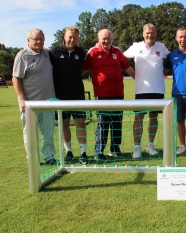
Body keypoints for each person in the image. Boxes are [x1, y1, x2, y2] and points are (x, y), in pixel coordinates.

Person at [82, 29, 135, 160]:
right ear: (98, 39)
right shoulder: (93, 52)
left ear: (112, 38)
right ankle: (99, 151)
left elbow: (127, 68)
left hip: (118, 94)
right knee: (103, 124)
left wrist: (140, 81)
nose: (106, 41)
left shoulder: (117, 51)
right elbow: (83, 69)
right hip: (102, 95)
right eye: (104, 38)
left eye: (109, 38)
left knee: (117, 123)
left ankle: (115, 149)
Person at [124, 23, 170, 159]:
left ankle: (150, 144)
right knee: (139, 117)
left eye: (152, 33)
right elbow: (121, 59)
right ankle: (137, 147)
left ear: (156, 34)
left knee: (153, 117)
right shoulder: (136, 47)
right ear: (143, 34)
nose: (150, 35)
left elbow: (172, 58)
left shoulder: (161, 47)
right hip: (141, 90)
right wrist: (134, 75)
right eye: (147, 33)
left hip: (157, 89)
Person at [12, 28, 57, 164]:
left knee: (48, 134)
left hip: (48, 102)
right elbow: (15, 79)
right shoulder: (22, 55)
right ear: (28, 40)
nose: (39, 42)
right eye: (36, 39)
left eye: (41, 39)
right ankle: (32, 159)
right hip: (29, 104)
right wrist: (23, 99)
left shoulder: (47, 54)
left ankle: (49, 157)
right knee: (30, 134)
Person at [50, 26, 88, 164]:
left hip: (77, 93)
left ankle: (83, 152)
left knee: (80, 123)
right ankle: (69, 152)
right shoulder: (54, 52)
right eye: (70, 37)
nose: (72, 39)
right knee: (64, 124)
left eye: (75, 37)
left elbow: (84, 68)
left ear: (78, 38)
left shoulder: (81, 52)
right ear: (64, 37)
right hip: (60, 95)